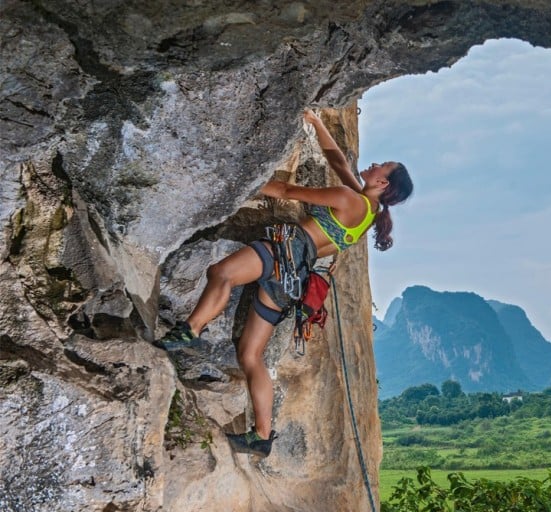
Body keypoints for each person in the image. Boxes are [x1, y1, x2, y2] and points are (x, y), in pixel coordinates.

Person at [153, 109, 414, 457]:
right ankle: (262, 435)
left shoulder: (351, 198)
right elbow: (339, 163)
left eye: (383, 166)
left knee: (222, 274)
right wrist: (318, 123)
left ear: (383, 183)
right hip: (294, 277)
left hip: (283, 251)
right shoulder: (366, 212)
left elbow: (288, 190)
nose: (376, 164)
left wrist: (239, 182)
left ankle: (192, 328)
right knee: (250, 354)